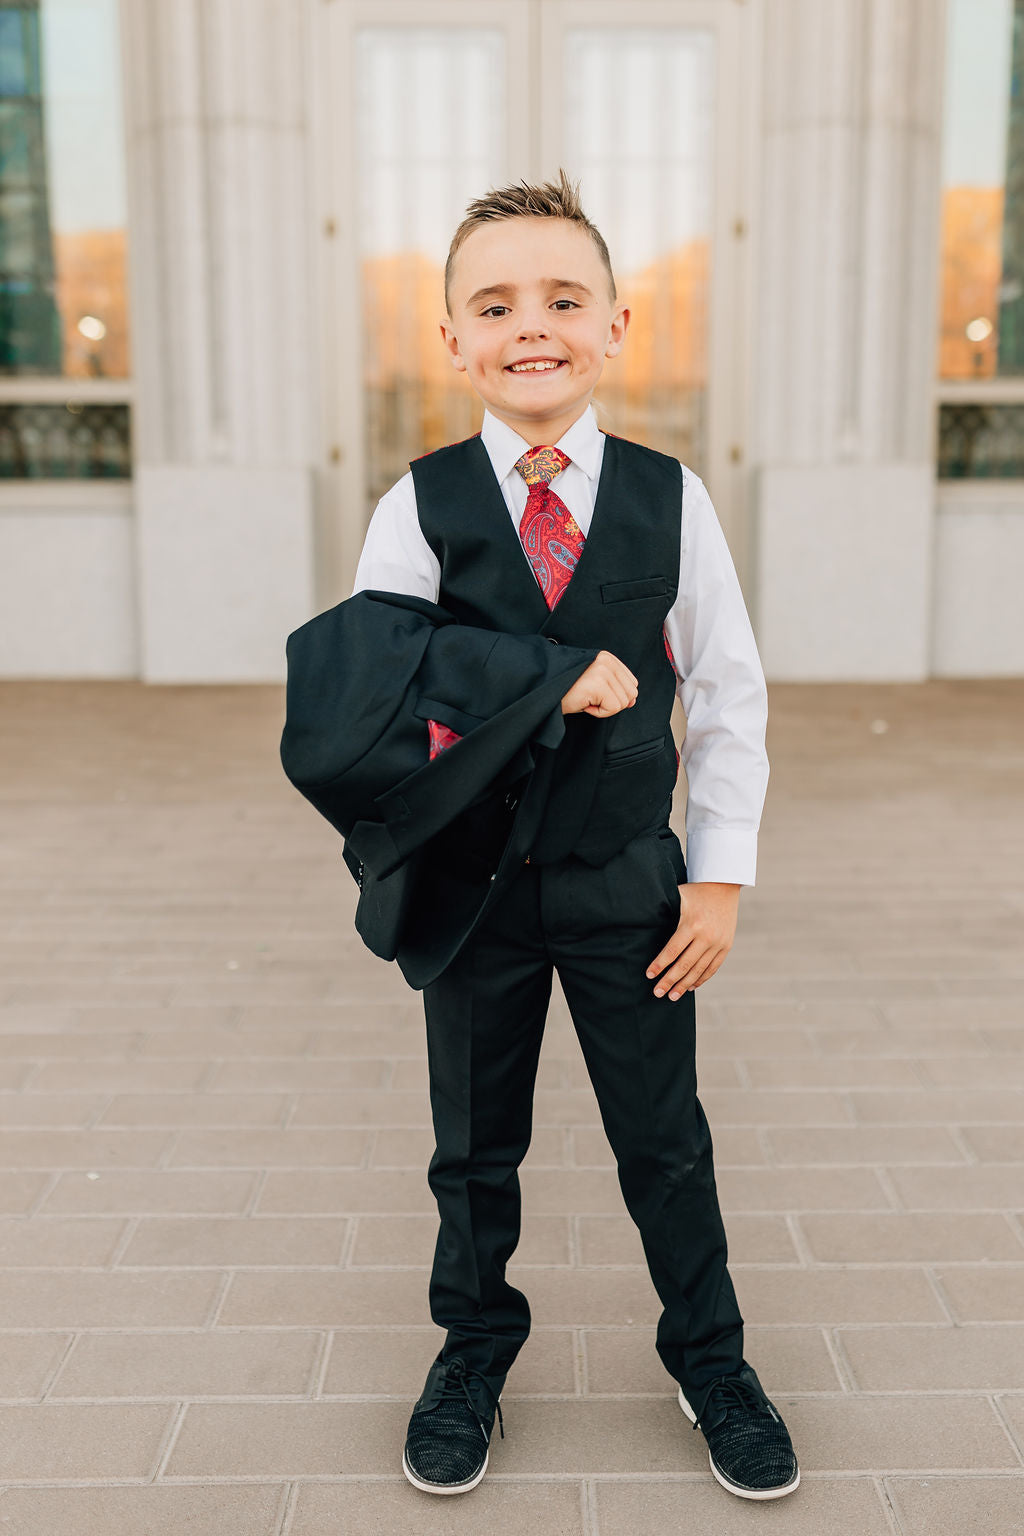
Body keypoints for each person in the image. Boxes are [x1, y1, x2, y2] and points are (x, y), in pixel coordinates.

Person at [322, 171, 797, 1502]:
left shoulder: (669, 499)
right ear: (454, 342)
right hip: (474, 896)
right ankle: (472, 1351)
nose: (532, 325)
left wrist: (720, 876)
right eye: (496, 304)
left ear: (615, 327)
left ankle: (712, 1360)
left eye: (563, 299)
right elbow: (375, 686)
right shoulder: (418, 506)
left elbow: (728, 690)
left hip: (625, 887)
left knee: (667, 1138)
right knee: (471, 1145)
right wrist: (532, 680)